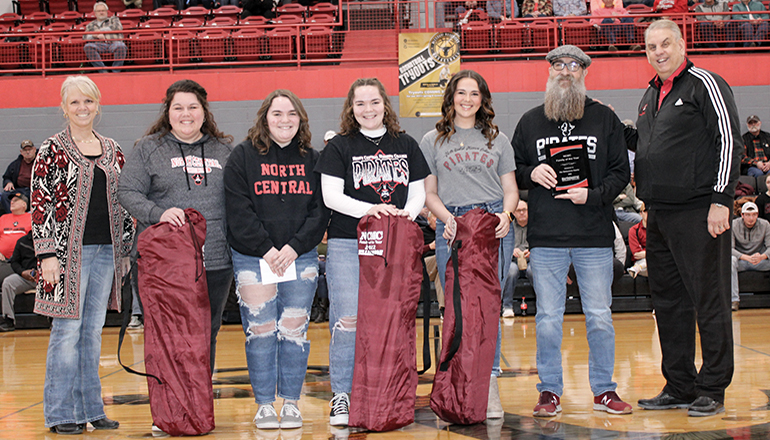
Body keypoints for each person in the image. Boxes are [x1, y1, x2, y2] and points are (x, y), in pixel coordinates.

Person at [511, 45, 632, 417]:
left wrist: (592, 196)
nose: (566, 71)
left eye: (574, 66)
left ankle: (604, 391)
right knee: (547, 319)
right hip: (546, 237)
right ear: (549, 72)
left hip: (593, 234)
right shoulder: (530, 121)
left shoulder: (604, 120)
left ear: (584, 73)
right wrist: (529, 173)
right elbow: (511, 171)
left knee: (599, 316)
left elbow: (621, 174)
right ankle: (549, 391)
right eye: (559, 65)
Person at [631, 19, 741, 417]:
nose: (658, 52)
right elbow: (649, 145)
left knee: (709, 300)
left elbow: (729, 139)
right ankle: (679, 384)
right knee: (669, 303)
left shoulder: (704, 83)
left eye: (664, 44)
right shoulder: (649, 95)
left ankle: (712, 386)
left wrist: (721, 200)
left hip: (699, 211)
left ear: (680, 43)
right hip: (658, 214)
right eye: (650, 47)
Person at [315, 77, 429, 426]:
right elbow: (331, 196)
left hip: (393, 243)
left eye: (374, 102)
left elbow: (418, 191)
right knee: (348, 320)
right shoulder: (339, 147)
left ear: (385, 105)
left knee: (391, 320)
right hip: (350, 242)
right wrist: (372, 211)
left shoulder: (406, 143)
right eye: (360, 103)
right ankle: (342, 396)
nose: (368, 109)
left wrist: (401, 216)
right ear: (351, 108)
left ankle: (387, 391)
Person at [33, 75, 134, 435]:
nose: (82, 108)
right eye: (75, 102)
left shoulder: (113, 149)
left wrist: (123, 249)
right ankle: (61, 413)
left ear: (98, 105)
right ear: (64, 107)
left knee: (92, 333)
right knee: (66, 333)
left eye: (88, 101)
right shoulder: (50, 149)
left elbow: (124, 203)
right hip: (64, 256)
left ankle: (92, 409)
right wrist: (46, 254)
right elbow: (40, 203)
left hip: (107, 252)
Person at [224, 89, 329, 430]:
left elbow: (320, 212)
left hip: (299, 257)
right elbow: (238, 212)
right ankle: (266, 404)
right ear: (264, 118)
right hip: (255, 258)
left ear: (301, 120)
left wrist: (294, 248)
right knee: (261, 331)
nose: (285, 120)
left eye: (291, 114)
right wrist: (268, 249)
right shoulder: (242, 157)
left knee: (294, 330)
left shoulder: (312, 159)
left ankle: (292, 402)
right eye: (277, 114)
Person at [420, 69, 518, 419]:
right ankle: (459, 383)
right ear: (451, 98)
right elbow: (429, 193)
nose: (467, 99)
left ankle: (488, 384)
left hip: (493, 225)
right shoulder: (431, 140)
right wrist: (447, 219)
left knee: (489, 308)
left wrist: (507, 215)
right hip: (453, 226)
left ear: (483, 100)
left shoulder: (498, 139)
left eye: (474, 94)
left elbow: (510, 189)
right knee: (457, 310)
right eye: (461, 93)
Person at [118, 79, 234, 374]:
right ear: (167, 112)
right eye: (178, 107)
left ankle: (199, 402)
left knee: (208, 332)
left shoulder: (224, 149)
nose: (186, 114)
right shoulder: (148, 148)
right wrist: (158, 213)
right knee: (167, 335)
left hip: (216, 261)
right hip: (165, 264)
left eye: (193, 107)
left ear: (204, 112)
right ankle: (170, 407)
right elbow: (127, 191)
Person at [730, 202, 770, 311]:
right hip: (741, 261)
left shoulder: (765, 224)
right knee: (730, 261)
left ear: (757, 215)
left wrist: (762, 256)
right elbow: (729, 249)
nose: (751, 218)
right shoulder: (734, 225)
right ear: (742, 215)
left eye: (754, 214)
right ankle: (734, 300)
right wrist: (745, 257)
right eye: (747, 215)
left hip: (759, 261)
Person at [0, 231, 36, 332]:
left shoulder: (51, 242)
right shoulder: (22, 241)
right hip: (25, 277)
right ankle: (8, 320)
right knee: (8, 283)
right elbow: (14, 262)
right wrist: (23, 272)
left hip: (45, 277)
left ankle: (53, 320)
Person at [503, 200, 532, 318]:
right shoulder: (508, 228)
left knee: (534, 271)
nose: (521, 213)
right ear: (513, 213)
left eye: (524, 210)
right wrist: (512, 251)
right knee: (511, 270)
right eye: (518, 211)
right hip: (513, 261)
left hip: (531, 261)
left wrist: (532, 251)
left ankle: (542, 305)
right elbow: (502, 247)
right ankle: (507, 306)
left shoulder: (535, 226)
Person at [83, 3, 127, 74]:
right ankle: (103, 70)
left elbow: (117, 27)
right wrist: (95, 36)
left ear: (107, 11)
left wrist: (100, 31)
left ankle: (116, 71)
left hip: (114, 42)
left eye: (103, 10)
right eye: (99, 11)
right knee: (87, 47)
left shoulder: (114, 19)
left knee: (121, 46)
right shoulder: (90, 24)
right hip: (98, 44)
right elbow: (85, 37)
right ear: (95, 13)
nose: (101, 12)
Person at [1, 140, 36, 214]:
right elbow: (6, 177)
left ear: (34, 150)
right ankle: (12, 217)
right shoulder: (15, 165)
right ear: (21, 152)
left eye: (29, 149)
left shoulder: (41, 162)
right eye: (25, 150)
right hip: (20, 190)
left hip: (34, 191)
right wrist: (8, 182)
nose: (27, 152)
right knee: (4, 196)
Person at [0, 191, 31, 262]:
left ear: (24, 204)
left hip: (23, 259)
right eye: (11, 200)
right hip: (2, 259)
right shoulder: (3, 218)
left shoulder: (31, 218)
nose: (11, 202)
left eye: (16, 200)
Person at [627, 202, 648, 278]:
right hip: (641, 262)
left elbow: (661, 250)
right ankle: (638, 267)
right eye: (645, 211)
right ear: (641, 214)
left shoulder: (659, 229)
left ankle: (637, 268)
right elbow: (636, 254)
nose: (648, 214)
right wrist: (650, 252)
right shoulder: (634, 230)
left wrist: (646, 253)